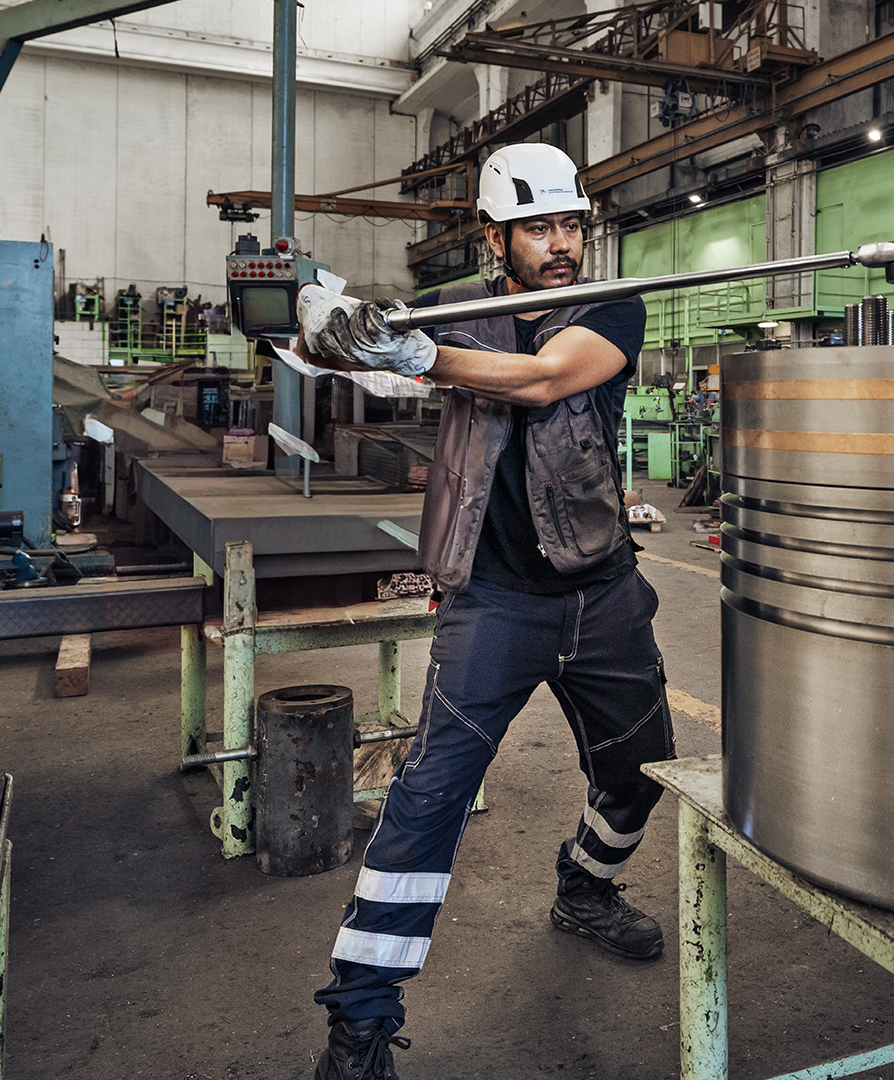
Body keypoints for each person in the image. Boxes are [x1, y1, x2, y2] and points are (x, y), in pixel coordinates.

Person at [293, 142, 676, 1080]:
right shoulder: (456, 310)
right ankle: (361, 1020)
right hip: (492, 602)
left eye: (571, 225)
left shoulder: (607, 309)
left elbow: (546, 378)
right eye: (539, 227)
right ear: (496, 234)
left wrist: (425, 356)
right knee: (429, 800)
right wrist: (326, 328)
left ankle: (585, 889)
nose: (561, 244)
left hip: (600, 594)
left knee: (643, 772)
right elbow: (341, 363)